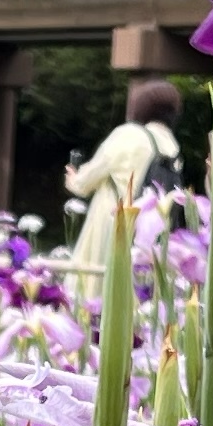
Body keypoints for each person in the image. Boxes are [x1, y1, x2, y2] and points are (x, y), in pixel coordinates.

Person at [68, 77, 178, 276]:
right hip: (149, 232)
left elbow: (83, 183)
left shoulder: (130, 135)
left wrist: (73, 178)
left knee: (97, 287)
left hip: (113, 222)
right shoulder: (172, 145)